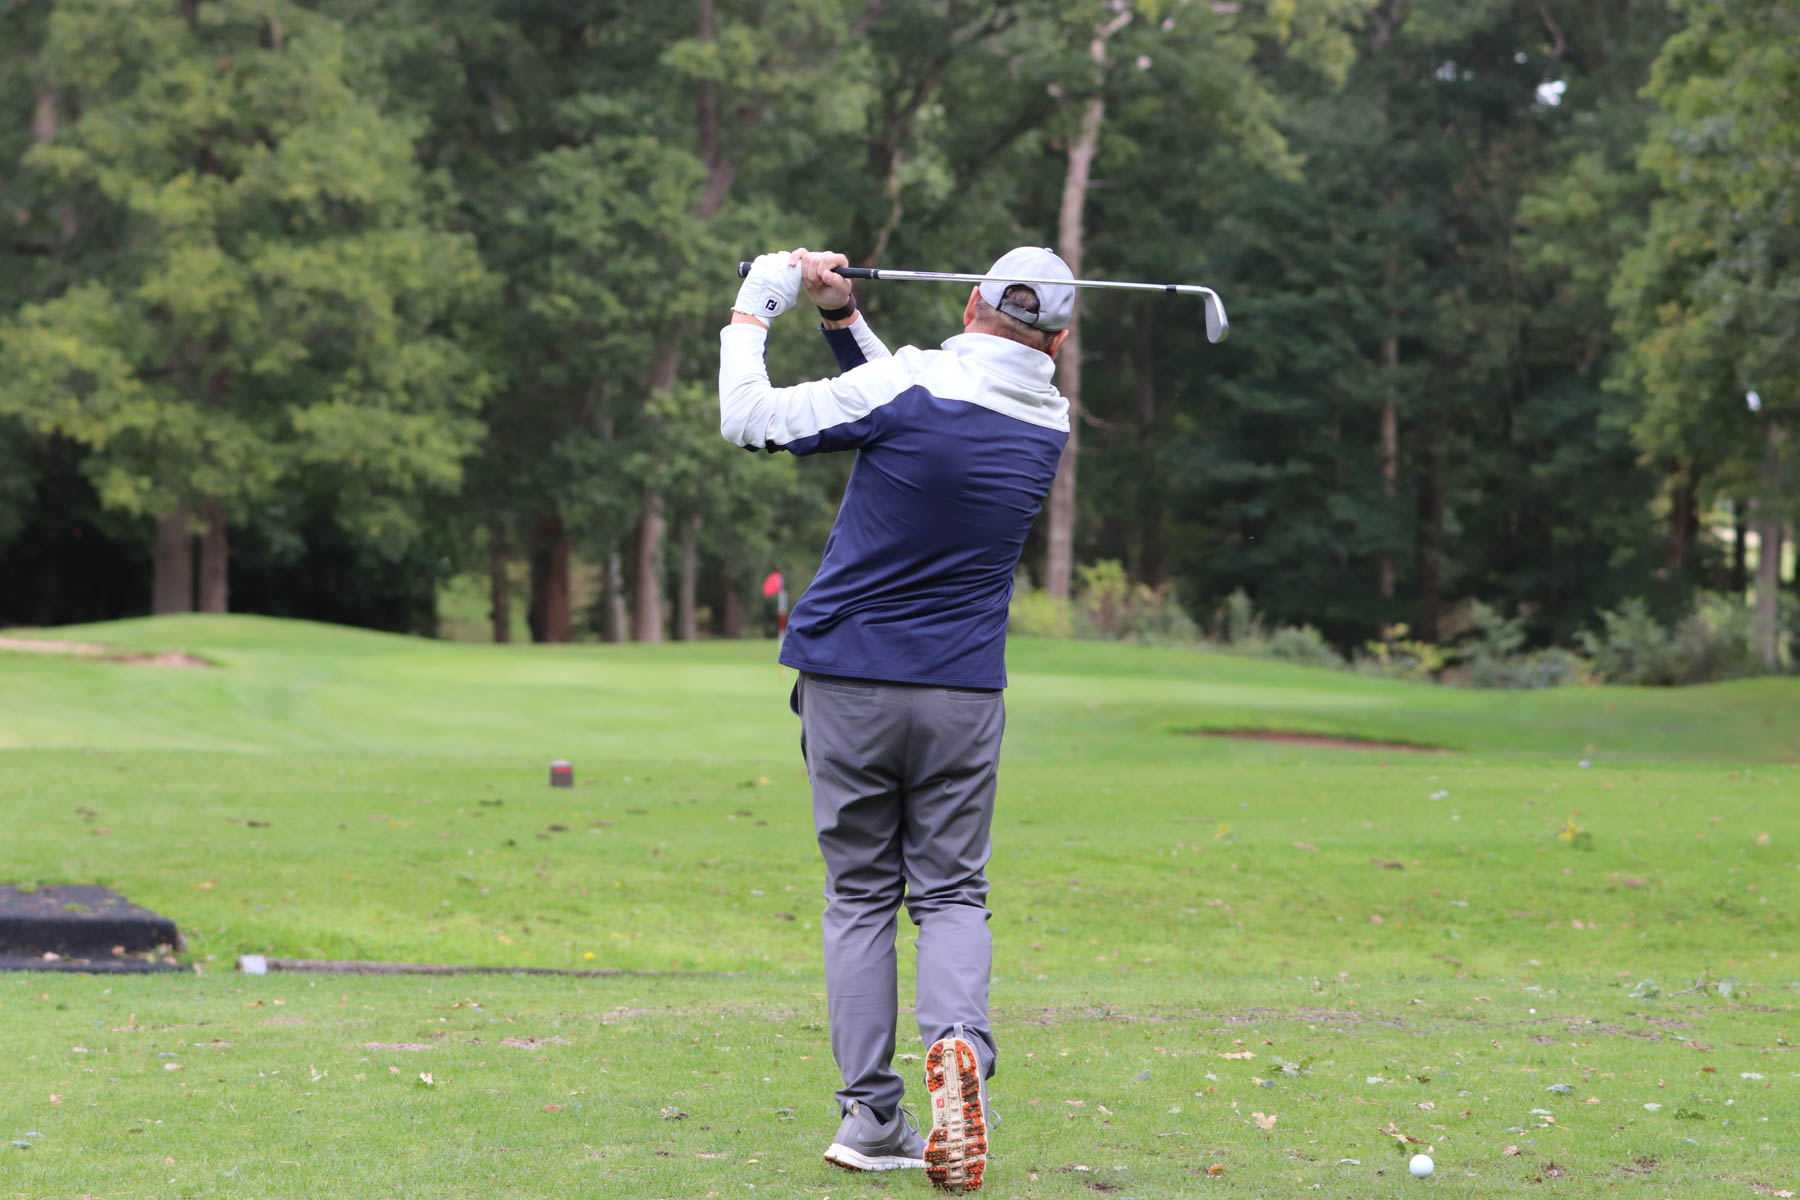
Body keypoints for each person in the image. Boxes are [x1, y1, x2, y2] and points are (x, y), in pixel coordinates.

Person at [719, 246, 1074, 1193]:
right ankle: (960, 1046)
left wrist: (759, 302)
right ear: (1058, 343)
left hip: (850, 681)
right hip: (962, 693)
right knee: (951, 894)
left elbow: (748, 418)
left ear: (968, 306)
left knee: (861, 898)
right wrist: (841, 322)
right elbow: (911, 402)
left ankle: (872, 1116)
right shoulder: (1047, 417)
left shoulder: (912, 384)